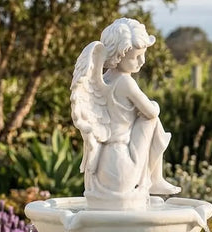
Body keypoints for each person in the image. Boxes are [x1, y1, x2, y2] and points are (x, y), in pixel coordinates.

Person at [71, 17, 179, 210]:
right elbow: (151, 111)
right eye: (136, 57)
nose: (142, 61)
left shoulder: (102, 80)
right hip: (123, 168)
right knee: (150, 117)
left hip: (104, 170)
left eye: (143, 55)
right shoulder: (126, 82)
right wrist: (155, 106)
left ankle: (153, 180)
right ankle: (155, 178)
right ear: (118, 56)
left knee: (148, 116)